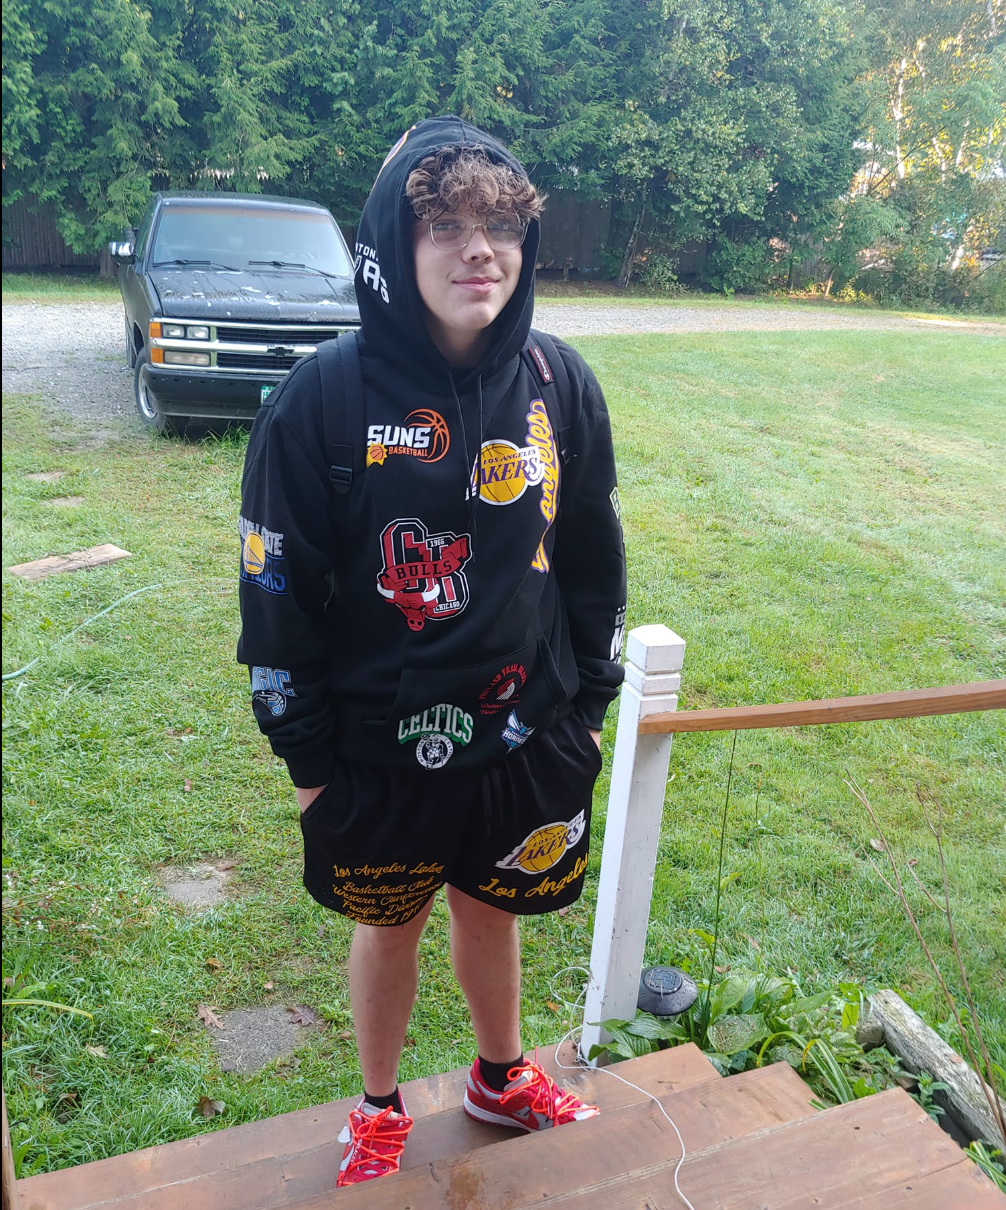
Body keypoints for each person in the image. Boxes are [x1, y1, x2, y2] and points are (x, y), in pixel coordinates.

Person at [237, 115, 626, 1188]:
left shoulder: (557, 382)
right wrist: (309, 766)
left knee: (492, 912)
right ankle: (377, 1107)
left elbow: (592, 555)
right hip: (373, 754)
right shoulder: (323, 397)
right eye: (445, 226)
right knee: (391, 927)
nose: (478, 251)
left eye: (500, 227)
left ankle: (500, 1077)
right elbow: (274, 594)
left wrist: (589, 708)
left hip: (525, 732)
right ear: (392, 246)